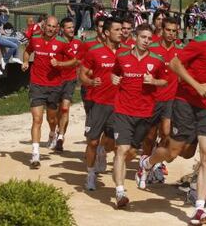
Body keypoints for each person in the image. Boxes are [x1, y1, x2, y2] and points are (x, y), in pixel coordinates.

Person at [137, 11, 206, 224]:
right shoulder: (202, 42)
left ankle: (199, 209)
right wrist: (196, 85)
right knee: (175, 150)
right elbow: (175, 64)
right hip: (186, 103)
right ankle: (147, 161)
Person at [109, 23, 168, 208]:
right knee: (122, 149)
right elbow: (114, 72)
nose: (146, 41)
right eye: (143, 37)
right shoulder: (122, 56)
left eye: (149, 38)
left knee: (132, 152)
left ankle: (118, 168)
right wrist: (113, 78)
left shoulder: (157, 59)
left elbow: (165, 81)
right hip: (123, 110)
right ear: (135, 37)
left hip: (145, 113)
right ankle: (120, 192)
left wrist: (154, 80)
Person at [21, 16, 77, 168]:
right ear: (44, 26)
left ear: (57, 28)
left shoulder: (62, 43)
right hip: (37, 85)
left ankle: (53, 133)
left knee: (52, 119)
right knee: (37, 119)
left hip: (54, 86)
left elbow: (75, 60)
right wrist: (26, 61)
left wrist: (59, 63)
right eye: (49, 26)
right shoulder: (35, 39)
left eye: (54, 27)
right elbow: (27, 51)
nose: (51, 29)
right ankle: (35, 154)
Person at [79, 17, 127, 190]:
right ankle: (90, 174)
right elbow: (82, 74)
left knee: (114, 144)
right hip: (98, 103)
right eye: (117, 30)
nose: (121, 32)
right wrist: (90, 82)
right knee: (91, 142)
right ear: (107, 32)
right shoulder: (94, 51)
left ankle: (102, 152)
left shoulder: (127, 52)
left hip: (119, 105)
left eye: (122, 29)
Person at [141, 16, 183, 181]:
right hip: (152, 98)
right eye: (168, 30)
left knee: (166, 133)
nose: (171, 33)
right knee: (150, 136)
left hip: (170, 99)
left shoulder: (180, 50)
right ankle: (144, 163)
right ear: (162, 29)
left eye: (174, 31)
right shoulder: (152, 48)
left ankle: (155, 161)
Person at [54, 17, 82, 152]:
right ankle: (54, 130)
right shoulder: (56, 42)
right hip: (55, 80)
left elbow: (80, 60)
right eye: (68, 27)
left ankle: (60, 137)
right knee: (54, 112)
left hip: (70, 80)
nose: (71, 30)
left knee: (65, 108)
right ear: (62, 29)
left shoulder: (78, 42)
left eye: (72, 27)